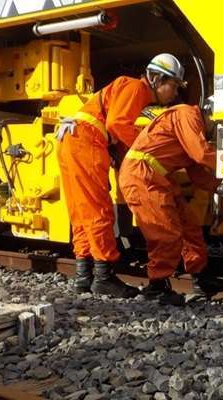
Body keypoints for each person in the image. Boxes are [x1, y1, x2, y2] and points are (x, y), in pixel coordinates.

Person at [57, 54, 186, 298]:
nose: (175, 93)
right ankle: (103, 277)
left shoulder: (132, 89)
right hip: (86, 139)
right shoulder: (136, 87)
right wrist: (142, 151)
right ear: (156, 79)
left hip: (71, 139)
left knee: (82, 211)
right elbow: (117, 124)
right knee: (98, 210)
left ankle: (84, 275)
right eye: (174, 85)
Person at [118, 103, 223, 305]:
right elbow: (202, 154)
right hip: (142, 175)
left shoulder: (192, 130)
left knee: (190, 226)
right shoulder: (187, 114)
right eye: (217, 124)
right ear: (210, 114)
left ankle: (200, 278)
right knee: (165, 232)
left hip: (157, 177)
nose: (215, 130)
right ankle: (156, 287)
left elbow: (198, 174)